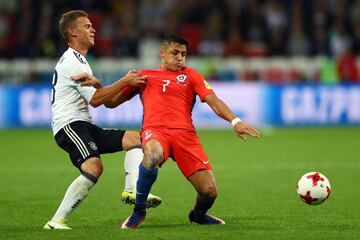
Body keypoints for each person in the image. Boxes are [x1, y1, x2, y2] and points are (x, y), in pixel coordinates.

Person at [77, 34, 260, 229]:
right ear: (162, 53)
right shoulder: (144, 75)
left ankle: (198, 215)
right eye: (175, 52)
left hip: (185, 136)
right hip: (155, 131)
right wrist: (104, 85)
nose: (180, 57)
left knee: (209, 191)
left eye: (184, 54)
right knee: (153, 154)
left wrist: (235, 121)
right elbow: (111, 103)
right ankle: (139, 210)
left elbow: (214, 101)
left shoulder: (191, 75)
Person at [43, 10, 161, 230]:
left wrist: (119, 86)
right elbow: (97, 101)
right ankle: (56, 221)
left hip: (84, 124)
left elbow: (105, 100)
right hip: (69, 125)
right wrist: (125, 80)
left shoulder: (80, 60)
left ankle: (132, 190)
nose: (93, 29)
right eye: (87, 26)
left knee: (137, 139)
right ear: (73, 31)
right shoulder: (72, 61)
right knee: (93, 167)